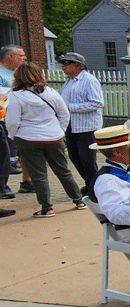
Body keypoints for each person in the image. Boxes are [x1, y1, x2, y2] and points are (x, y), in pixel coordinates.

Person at [5, 62, 85, 217]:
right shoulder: (51, 92)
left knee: (38, 175)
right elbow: (64, 115)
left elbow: (13, 121)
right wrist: (60, 130)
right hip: (54, 137)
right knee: (63, 171)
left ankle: (47, 207)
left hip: (28, 138)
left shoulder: (16, 96)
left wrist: (13, 135)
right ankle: (79, 200)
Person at [56, 52, 104, 191]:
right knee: (74, 156)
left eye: (66, 63)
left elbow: (97, 103)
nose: (63, 66)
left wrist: (70, 107)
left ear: (78, 65)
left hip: (86, 126)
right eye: (62, 63)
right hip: (71, 125)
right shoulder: (69, 81)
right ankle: (89, 182)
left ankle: (95, 186)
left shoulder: (89, 80)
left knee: (87, 158)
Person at [0, 44, 28, 202]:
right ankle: (3, 187)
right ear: (10, 57)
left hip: (15, 120)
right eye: (21, 55)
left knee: (12, 156)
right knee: (4, 158)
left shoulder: (17, 74)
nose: (24, 58)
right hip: (3, 120)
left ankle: (26, 182)